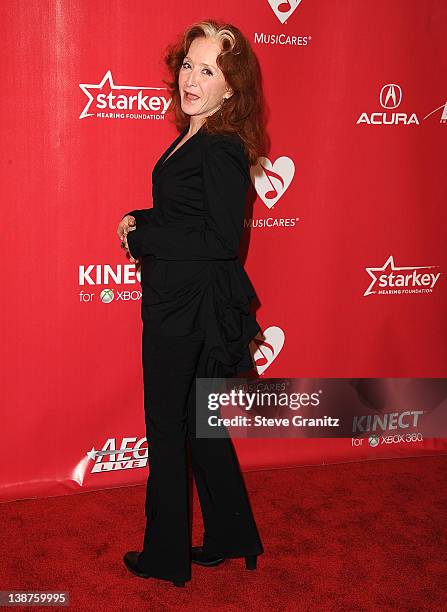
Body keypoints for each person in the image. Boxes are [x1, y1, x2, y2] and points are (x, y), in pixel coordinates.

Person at [116, 19, 267, 588]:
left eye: (209, 70)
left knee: (168, 427)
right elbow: (191, 219)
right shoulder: (194, 138)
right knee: (202, 428)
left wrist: (145, 238)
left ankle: (164, 556)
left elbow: (222, 239)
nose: (192, 78)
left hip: (186, 311)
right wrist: (145, 218)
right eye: (187, 65)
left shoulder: (222, 146)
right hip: (185, 302)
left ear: (231, 88)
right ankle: (232, 535)